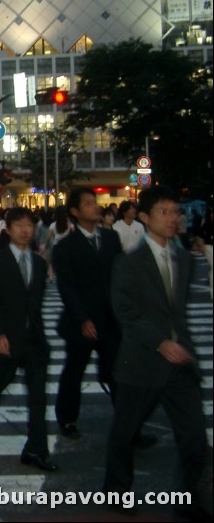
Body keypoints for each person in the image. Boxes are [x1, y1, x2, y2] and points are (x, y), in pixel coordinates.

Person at [104, 187, 211, 520]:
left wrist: (181, 345)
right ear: (146, 217)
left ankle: (192, 498)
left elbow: (174, 311)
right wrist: (160, 342)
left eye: (175, 212)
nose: (172, 218)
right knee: (124, 433)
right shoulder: (129, 262)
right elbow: (124, 309)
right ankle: (116, 492)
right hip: (142, 362)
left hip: (179, 365)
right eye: (163, 211)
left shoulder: (183, 258)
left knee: (194, 437)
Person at [0, 208, 57, 472]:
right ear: (7, 229)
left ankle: (36, 449)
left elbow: (36, 303)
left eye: (29, 225)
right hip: (7, 338)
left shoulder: (40, 264)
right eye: (19, 225)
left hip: (34, 340)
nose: (25, 230)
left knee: (38, 398)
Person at [53, 188, 132, 442]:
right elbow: (66, 288)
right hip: (81, 323)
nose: (95, 207)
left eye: (94, 203)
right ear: (75, 211)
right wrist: (82, 319)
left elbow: (120, 278)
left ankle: (131, 425)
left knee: (119, 372)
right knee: (74, 372)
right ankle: (67, 419)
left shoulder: (110, 239)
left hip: (110, 320)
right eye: (88, 204)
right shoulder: (65, 247)